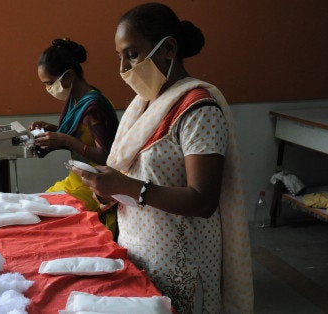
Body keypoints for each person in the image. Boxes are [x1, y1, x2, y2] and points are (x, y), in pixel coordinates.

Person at [70, 3, 253, 313]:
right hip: (142, 251)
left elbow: (203, 200)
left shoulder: (199, 109)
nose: (124, 68)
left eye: (132, 54)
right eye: (119, 57)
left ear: (168, 48)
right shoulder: (142, 106)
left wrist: (129, 187)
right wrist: (107, 187)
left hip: (183, 262)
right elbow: (133, 172)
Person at [31, 38, 120, 237]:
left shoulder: (93, 108)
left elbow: (107, 156)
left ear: (69, 76)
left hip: (96, 185)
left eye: (49, 83)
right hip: (76, 179)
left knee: (48, 220)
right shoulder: (77, 100)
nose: (48, 89)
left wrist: (65, 140)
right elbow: (81, 133)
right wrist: (53, 130)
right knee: (37, 205)